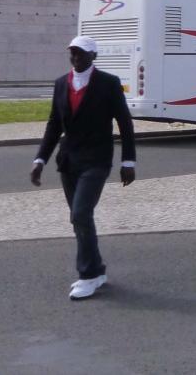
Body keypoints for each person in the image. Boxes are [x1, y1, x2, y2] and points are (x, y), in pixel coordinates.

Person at [31, 35, 137, 301]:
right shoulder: (61, 84)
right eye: (73, 53)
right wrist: (40, 160)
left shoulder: (108, 83)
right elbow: (54, 124)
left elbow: (125, 123)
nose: (76, 58)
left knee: (80, 213)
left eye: (81, 53)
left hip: (96, 160)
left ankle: (87, 276)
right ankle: (97, 269)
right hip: (69, 160)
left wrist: (128, 161)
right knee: (80, 218)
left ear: (94, 56)